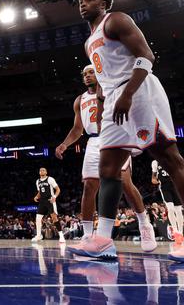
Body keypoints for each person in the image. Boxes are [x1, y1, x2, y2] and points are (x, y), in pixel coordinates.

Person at [69, 0, 184, 263]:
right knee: (108, 169)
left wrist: (127, 93)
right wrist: (109, 99)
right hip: (114, 97)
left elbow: (146, 56)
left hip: (137, 90)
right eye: (81, 0)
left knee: (168, 156)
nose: (83, 3)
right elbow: (106, 75)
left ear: (103, 4)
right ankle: (103, 239)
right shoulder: (88, 41)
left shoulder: (116, 20)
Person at [57, 65, 156, 251]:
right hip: (93, 141)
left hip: (115, 135)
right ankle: (87, 236)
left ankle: (145, 224)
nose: (87, 76)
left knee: (125, 182)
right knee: (89, 186)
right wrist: (64, 144)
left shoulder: (111, 89)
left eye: (91, 72)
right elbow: (78, 129)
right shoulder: (80, 100)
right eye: (84, 74)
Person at [151, 160, 184, 243]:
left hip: (175, 187)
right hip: (165, 188)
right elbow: (153, 179)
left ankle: (181, 233)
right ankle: (175, 231)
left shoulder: (171, 159)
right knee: (171, 209)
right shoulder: (155, 162)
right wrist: (158, 181)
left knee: (179, 211)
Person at [32, 168, 65, 243]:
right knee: (38, 218)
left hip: (50, 200)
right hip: (42, 202)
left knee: (54, 217)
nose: (41, 171)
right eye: (40, 170)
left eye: (43, 170)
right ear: (39, 172)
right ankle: (38, 236)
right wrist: (36, 196)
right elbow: (40, 191)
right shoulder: (38, 181)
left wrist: (54, 197)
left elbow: (58, 189)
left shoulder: (50, 179)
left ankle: (61, 236)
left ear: (46, 172)